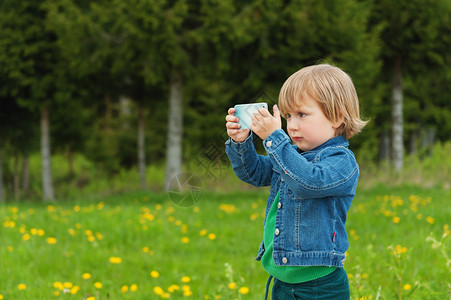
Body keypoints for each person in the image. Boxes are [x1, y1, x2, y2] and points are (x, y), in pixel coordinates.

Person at [224, 63, 367, 299]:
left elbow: (308, 181)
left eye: (302, 115)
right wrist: (241, 143)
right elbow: (255, 173)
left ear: (337, 118)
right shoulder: (291, 155)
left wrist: (274, 139)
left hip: (321, 286)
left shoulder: (342, 162)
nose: (291, 125)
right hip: (282, 281)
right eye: (288, 116)